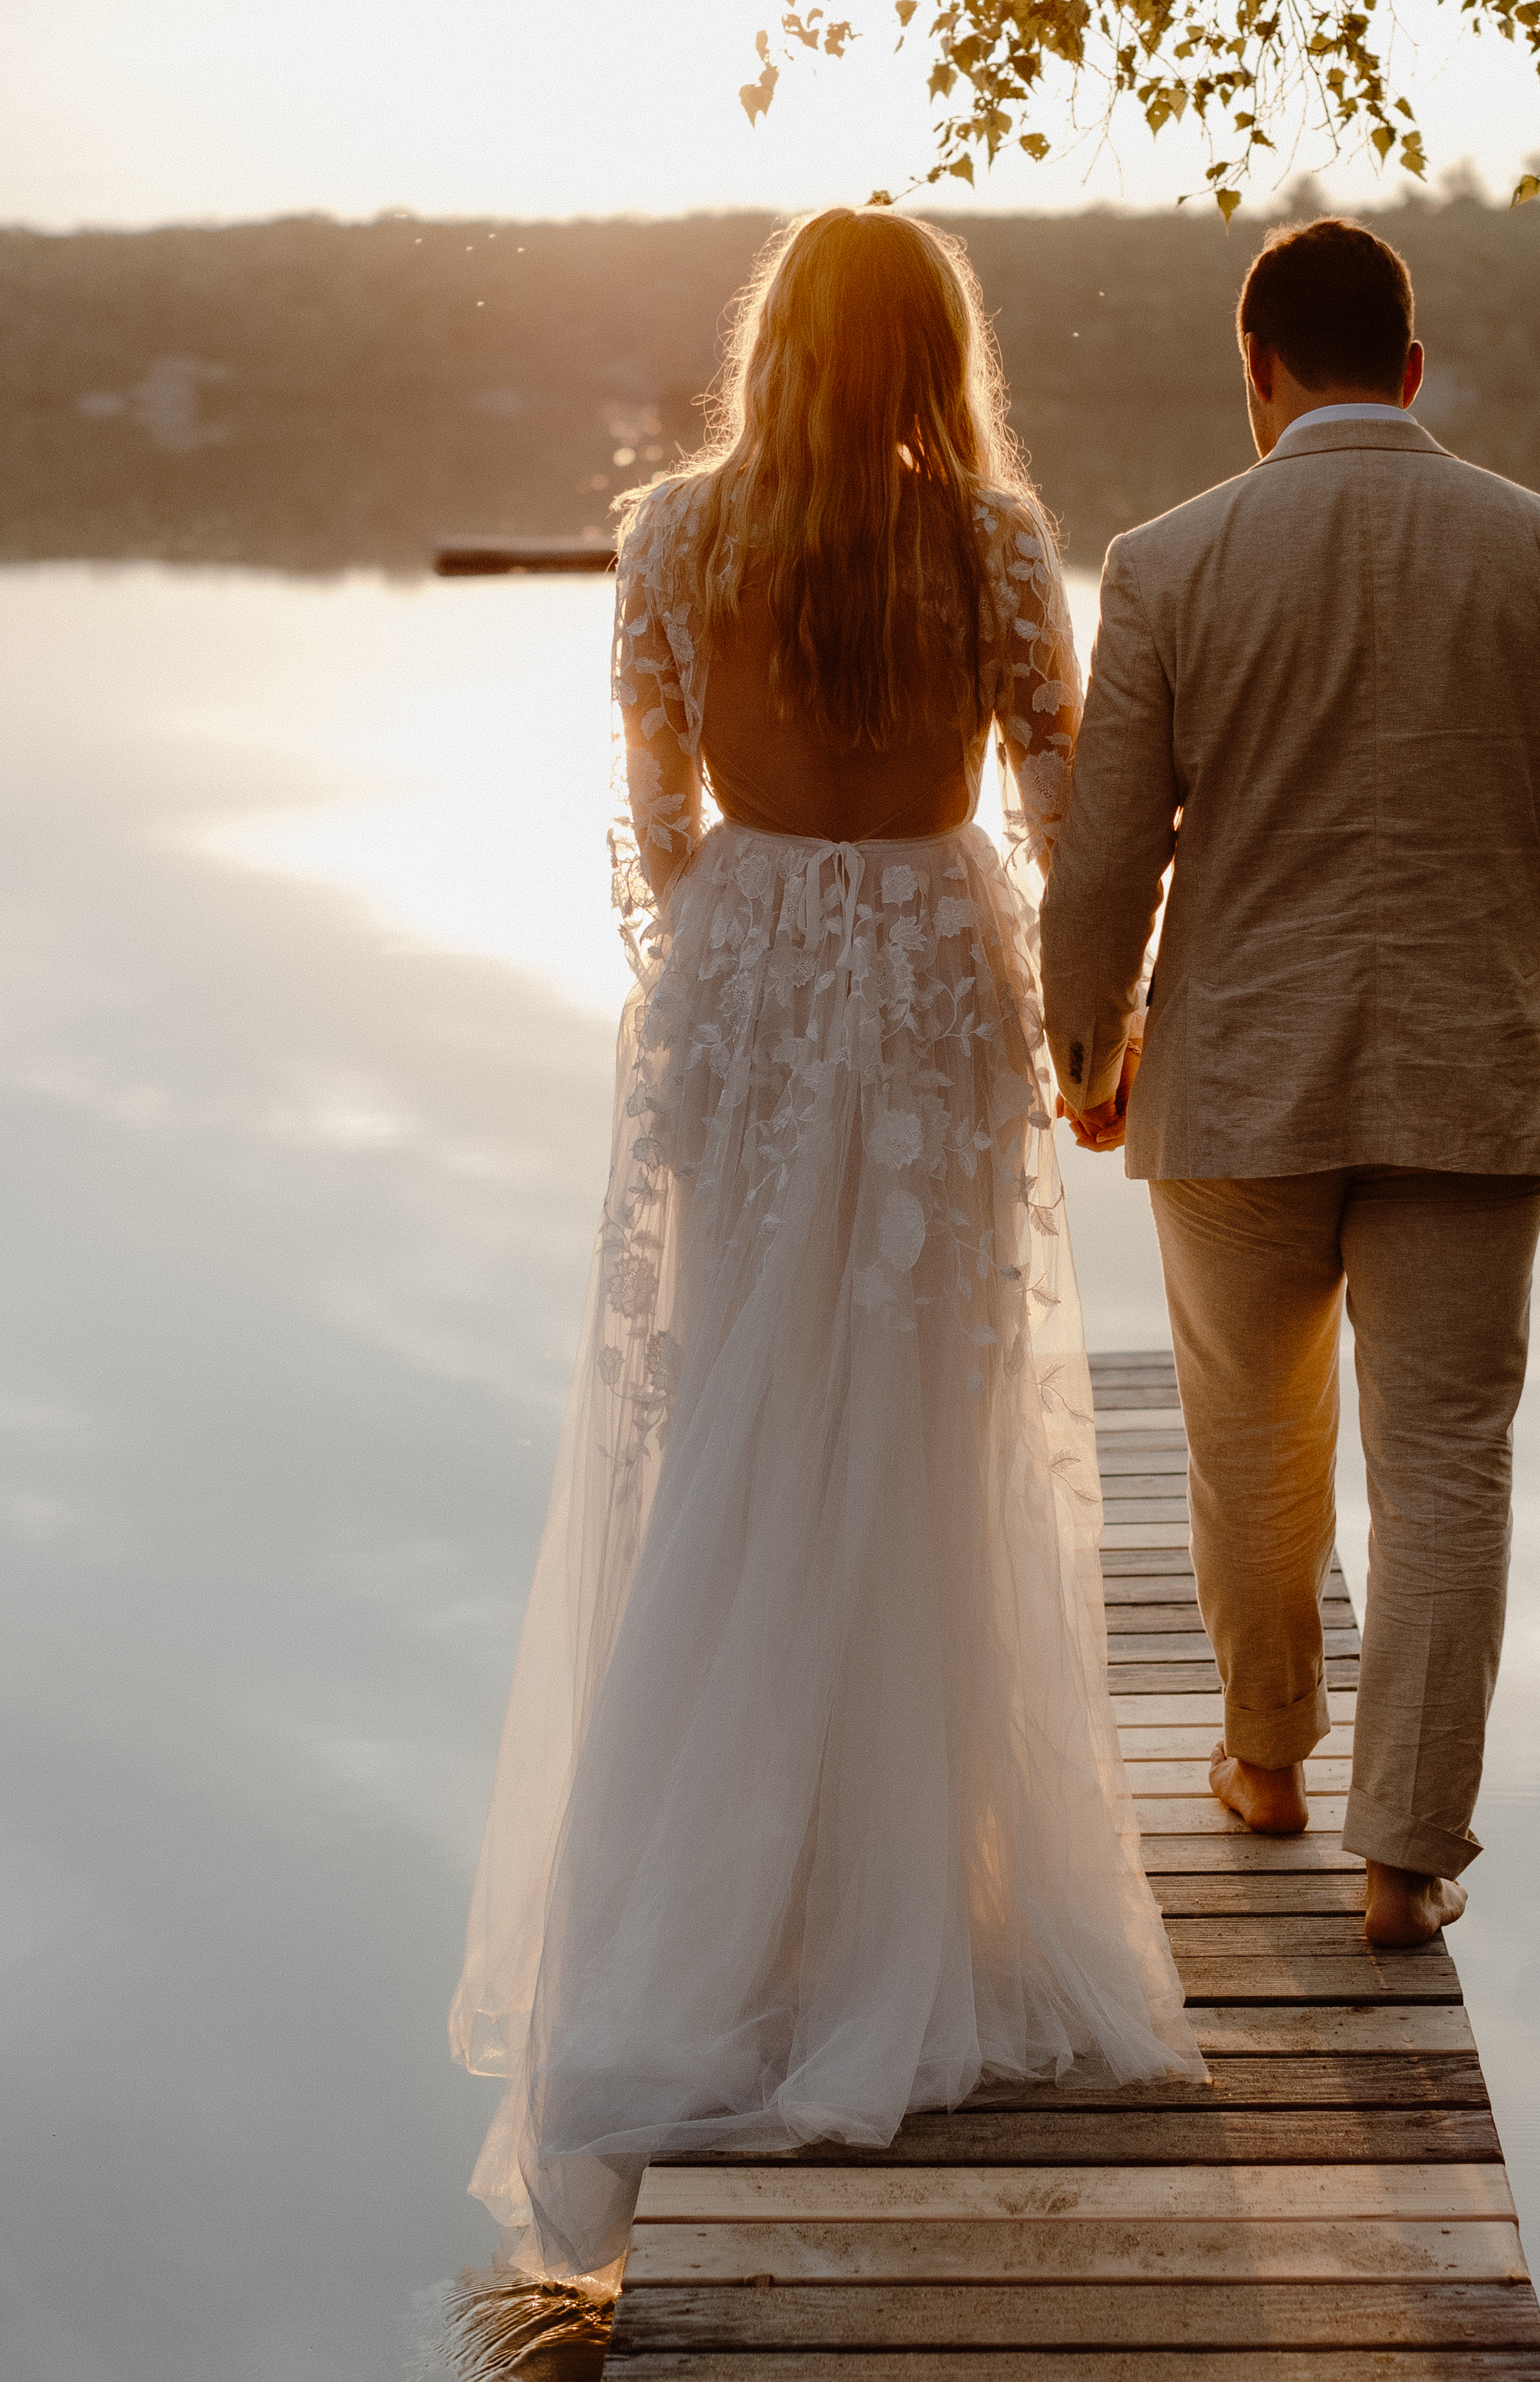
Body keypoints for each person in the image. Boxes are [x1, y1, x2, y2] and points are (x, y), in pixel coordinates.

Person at [449, 207, 1203, 2289]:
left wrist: (714, 972)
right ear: (934, 351)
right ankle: (900, 1901)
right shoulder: (984, 538)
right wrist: (1091, 1025)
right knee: (923, 1416)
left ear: (772, 343)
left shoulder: (674, 534)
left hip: (754, 968)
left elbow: (652, 804)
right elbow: (1059, 801)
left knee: (733, 1418)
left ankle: (724, 1921)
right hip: (935, 959)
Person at [1042, 217, 1540, 1952]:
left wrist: (1086, 1051)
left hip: (1235, 1073)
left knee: (1251, 1439)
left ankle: (1262, 1763)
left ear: (1254, 371)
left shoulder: (1167, 561)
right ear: (1410, 367)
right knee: (1448, 1462)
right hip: (1473, 1075)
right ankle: (1404, 1857)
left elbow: (1104, 861)